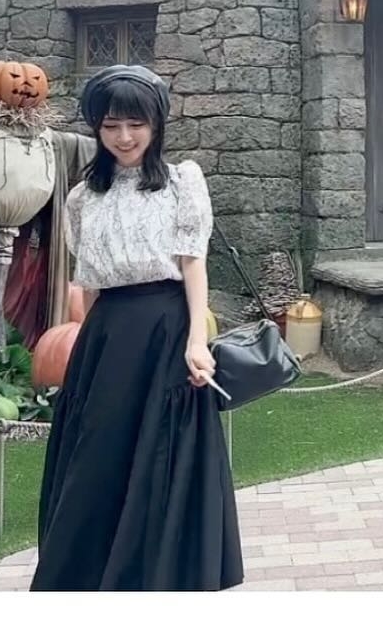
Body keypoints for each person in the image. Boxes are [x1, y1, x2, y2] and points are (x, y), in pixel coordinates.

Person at [30, 64, 243, 592]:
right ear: (97, 129)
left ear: (156, 124)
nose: (124, 137)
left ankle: (159, 578)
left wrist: (197, 340)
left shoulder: (182, 182)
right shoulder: (83, 197)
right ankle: (86, 575)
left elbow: (193, 263)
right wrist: (86, 342)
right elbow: (90, 281)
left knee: (160, 453)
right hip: (106, 335)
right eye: (111, 126)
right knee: (96, 455)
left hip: (165, 329)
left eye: (136, 124)